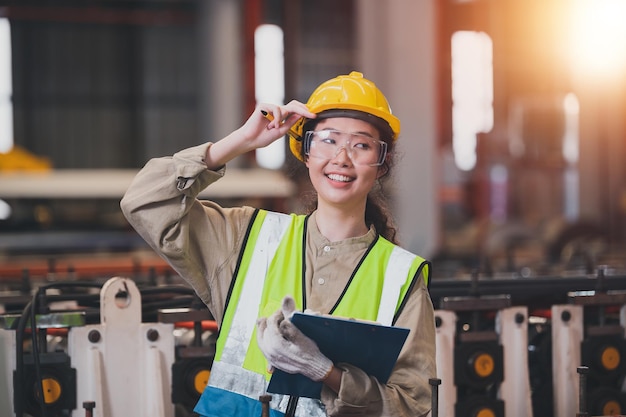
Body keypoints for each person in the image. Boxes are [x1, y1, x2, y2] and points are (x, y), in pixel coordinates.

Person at [121, 71, 436, 417]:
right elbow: (143, 202)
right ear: (305, 152)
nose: (342, 158)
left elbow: (413, 406)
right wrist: (239, 142)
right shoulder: (244, 238)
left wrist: (326, 373)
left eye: (361, 145)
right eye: (328, 139)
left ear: (382, 163)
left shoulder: (401, 279)